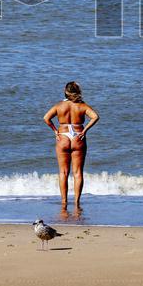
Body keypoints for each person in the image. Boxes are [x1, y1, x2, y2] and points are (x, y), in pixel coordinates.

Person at [43, 82, 99, 210]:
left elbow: (46, 118)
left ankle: (64, 203)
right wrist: (85, 131)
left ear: (65, 91)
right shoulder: (82, 106)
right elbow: (95, 117)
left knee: (63, 172)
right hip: (78, 136)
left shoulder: (59, 106)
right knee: (77, 172)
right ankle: (77, 203)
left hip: (63, 136)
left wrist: (55, 130)